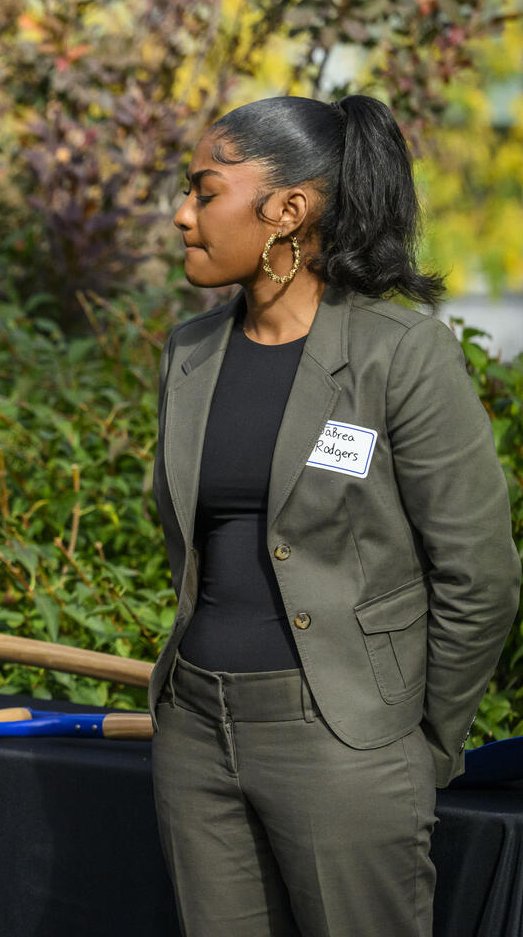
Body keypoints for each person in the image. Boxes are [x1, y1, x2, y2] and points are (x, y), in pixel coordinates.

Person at [149, 93, 521, 936]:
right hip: (196, 733)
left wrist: (418, 743)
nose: (181, 215)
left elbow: (480, 575)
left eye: (204, 191)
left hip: (346, 739)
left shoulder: (402, 354)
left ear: (289, 210)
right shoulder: (190, 353)